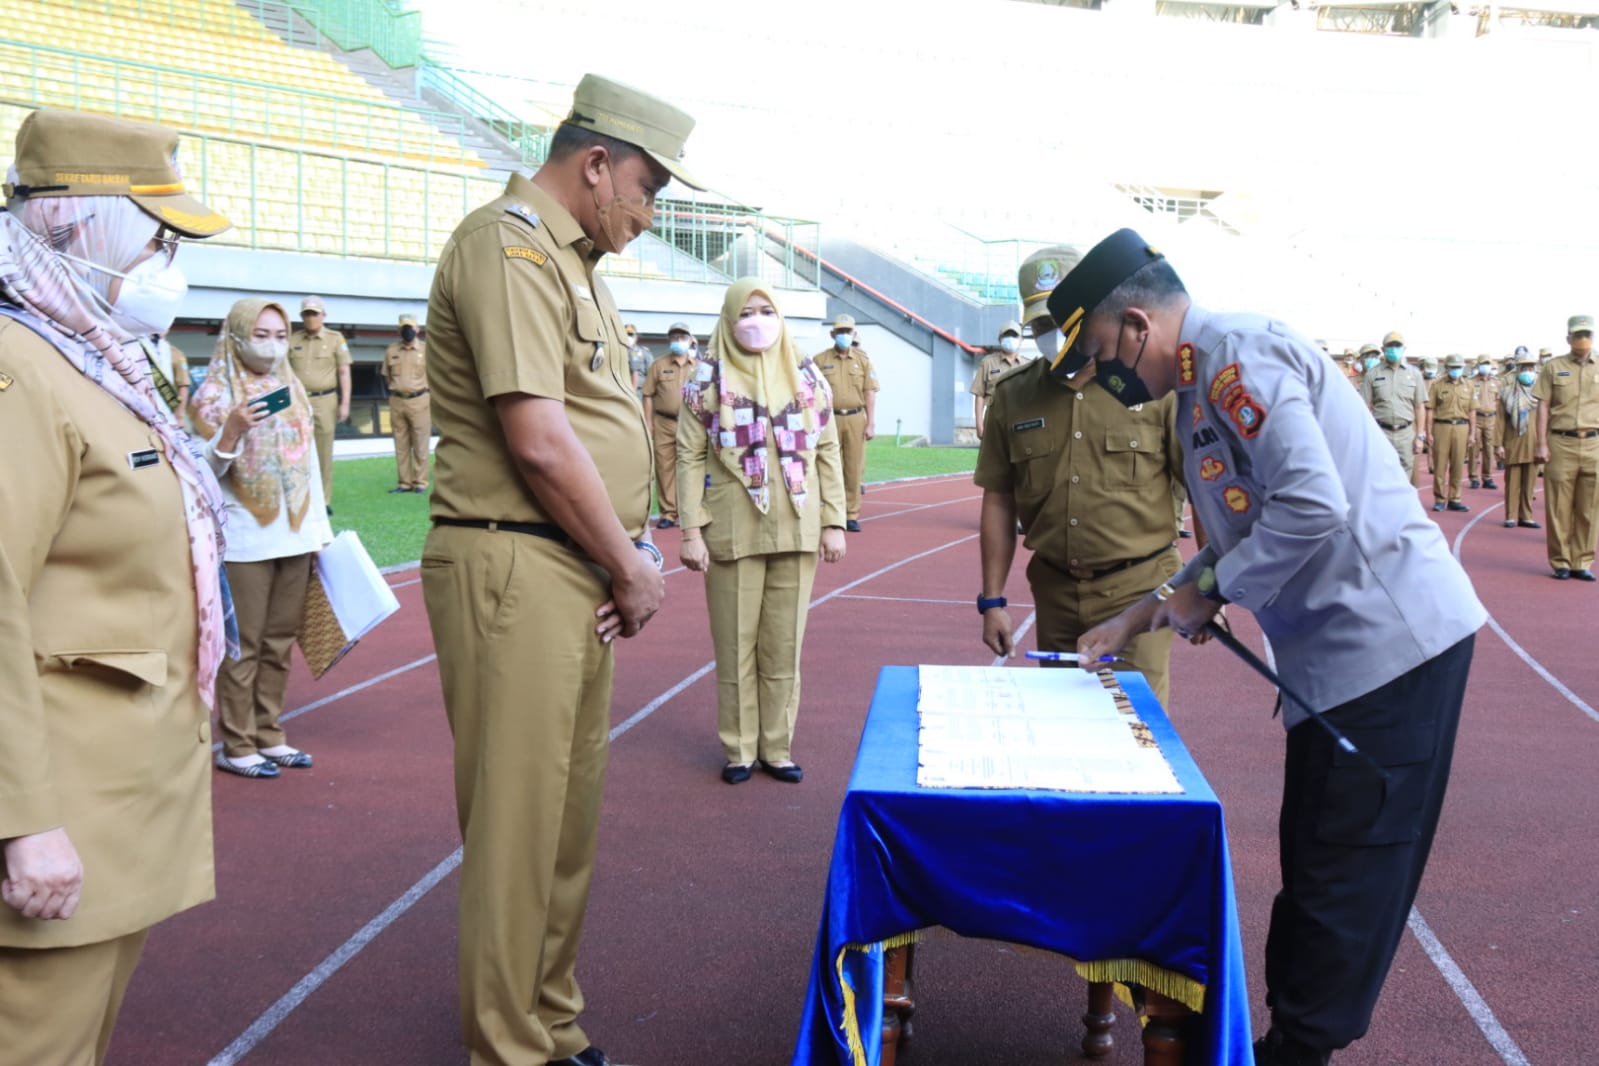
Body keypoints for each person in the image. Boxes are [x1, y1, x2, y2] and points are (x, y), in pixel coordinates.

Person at [1063, 228, 1485, 1066]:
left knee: (1342, 879)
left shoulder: (1236, 359)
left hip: (1389, 650)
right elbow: (1247, 526)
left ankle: (1299, 1049)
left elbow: (1312, 504)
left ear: (1138, 326)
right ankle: (1289, 1041)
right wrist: (1147, 610)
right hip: (1337, 662)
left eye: (1100, 352)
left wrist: (1205, 592)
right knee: (1314, 865)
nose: (1102, 375)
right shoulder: (1197, 386)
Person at [420, 73, 692, 1066]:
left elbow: (594, 432)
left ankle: (550, 1024)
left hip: (571, 569)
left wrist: (627, 552)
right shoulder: (508, 247)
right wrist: (629, 561)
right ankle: (508, 1048)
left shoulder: (577, 266)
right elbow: (536, 441)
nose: (649, 214)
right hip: (514, 563)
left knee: (565, 828)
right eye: (648, 190)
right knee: (517, 833)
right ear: (595, 164)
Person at [0, 108, 232, 1066]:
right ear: (70, 223)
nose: (168, 261)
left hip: (118, 798)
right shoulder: (20, 368)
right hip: (61, 813)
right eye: (157, 234)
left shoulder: (92, 356)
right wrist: (22, 826)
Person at [974, 245, 1193, 710]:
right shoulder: (1013, 397)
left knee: (1139, 739)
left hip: (1141, 594)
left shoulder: (1153, 387)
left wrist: (1207, 590)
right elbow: (999, 499)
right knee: (1062, 730)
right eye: (1039, 326)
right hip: (1054, 595)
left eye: (1059, 321)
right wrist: (992, 600)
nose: (1050, 335)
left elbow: (1202, 489)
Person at [677, 279, 847, 784]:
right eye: (746, 312)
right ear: (728, 321)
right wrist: (690, 529)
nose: (756, 321)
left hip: (797, 525)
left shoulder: (809, 377)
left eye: (765, 310)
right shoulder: (705, 381)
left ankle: (777, 747)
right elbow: (687, 456)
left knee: (783, 644)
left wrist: (834, 520)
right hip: (731, 528)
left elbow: (827, 450)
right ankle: (739, 749)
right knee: (735, 644)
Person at [192, 298, 332, 778]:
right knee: (244, 645)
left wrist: (319, 530)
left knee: (277, 642)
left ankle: (270, 734)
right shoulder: (211, 395)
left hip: (293, 535)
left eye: (279, 336)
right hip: (244, 538)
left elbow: (308, 464)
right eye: (260, 335)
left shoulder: (290, 387)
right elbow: (201, 474)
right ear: (234, 337)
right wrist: (230, 432)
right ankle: (238, 742)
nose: (271, 347)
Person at [1532, 314, 1599, 581]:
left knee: (1589, 508)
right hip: (1561, 442)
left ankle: (1582, 561)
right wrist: (1541, 443)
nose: (1582, 339)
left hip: (1594, 443)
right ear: (1568, 338)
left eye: (1587, 334)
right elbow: (1543, 406)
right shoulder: (1554, 367)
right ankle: (1560, 560)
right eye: (1577, 335)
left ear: (1592, 337)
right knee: (1558, 506)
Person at [813, 313, 878, 532]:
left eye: (847, 332)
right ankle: (832, 512)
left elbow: (869, 392)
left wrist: (870, 422)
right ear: (833, 334)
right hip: (828, 419)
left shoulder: (863, 361)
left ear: (853, 334)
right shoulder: (820, 360)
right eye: (840, 332)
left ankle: (851, 514)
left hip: (855, 418)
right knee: (829, 465)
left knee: (852, 467)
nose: (844, 335)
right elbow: (810, 391)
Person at [288, 295, 350, 514]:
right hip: (297, 401)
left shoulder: (335, 339)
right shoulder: (292, 339)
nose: (310, 318)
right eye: (306, 314)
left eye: (314, 313)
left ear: (323, 315)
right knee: (296, 449)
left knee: (323, 451)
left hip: (325, 400)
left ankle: (323, 500)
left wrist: (345, 403)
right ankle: (299, 497)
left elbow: (344, 371)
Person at [642, 321, 697, 529]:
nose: (677, 341)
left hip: (690, 424)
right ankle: (668, 513)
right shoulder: (659, 365)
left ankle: (689, 512)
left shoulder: (698, 367)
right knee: (665, 468)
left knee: (690, 467)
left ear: (691, 340)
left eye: (682, 337)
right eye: (674, 337)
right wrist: (649, 423)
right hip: (664, 422)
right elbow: (647, 395)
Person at [1358, 332, 1426, 482]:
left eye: (1397, 346)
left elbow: (1420, 407)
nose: (1394, 349)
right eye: (1390, 346)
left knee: (1405, 476)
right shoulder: (1372, 374)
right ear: (1383, 349)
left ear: (1404, 349)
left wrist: (1420, 436)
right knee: (1380, 475)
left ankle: (1402, 505)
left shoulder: (1414, 374)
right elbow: (1363, 408)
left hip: (1406, 433)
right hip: (1381, 432)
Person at [382, 312, 431, 494]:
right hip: (397, 401)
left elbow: (435, 375)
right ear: (398, 330)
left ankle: (420, 482)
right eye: (404, 328)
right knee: (400, 443)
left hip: (420, 400)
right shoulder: (391, 351)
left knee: (420, 442)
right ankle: (404, 483)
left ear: (417, 329)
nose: (407, 331)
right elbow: (386, 376)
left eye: (410, 327)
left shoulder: (426, 350)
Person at [1497, 349, 1542, 529]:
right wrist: (1498, 444)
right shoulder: (1507, 392)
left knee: (1530, 483)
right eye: (1525, 368)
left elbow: (1548, 419)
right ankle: (1510, 516)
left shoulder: (1541, 393)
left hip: (1534, 442)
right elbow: (1500, 420)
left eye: (1531, 368)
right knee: (1512, 482)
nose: (1528, 371)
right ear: (1518, 369)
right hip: (1513, 441)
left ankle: (1526, 516)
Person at [1426, 354, 1473, 512]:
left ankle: (1455, 498)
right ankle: (1439, 499)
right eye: (1453, 367)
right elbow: (1430, 410)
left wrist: (1472, 433)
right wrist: (1429, 433)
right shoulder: (1437, 385)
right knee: (1440, 465)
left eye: (1459, 367)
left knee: (1458, 465)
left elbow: (1472, 411)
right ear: (1446, 368)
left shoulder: (1469, 385)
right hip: (1442, 426)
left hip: (1461, 427)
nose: (1456, 370)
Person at [970, 320, 1025, 437]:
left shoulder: (1028, 365)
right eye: (1007, 335)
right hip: (993, 421)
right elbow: (979, 395)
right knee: (992, 455)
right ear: (1000, 339)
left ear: (1021, 340)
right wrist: (979, 426)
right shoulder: (987, 363)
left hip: (1020, 421)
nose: (1010, 338)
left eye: (1014, 335)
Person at [1467, 356, 1499, 490]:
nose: (1485, 366)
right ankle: (1474, 477)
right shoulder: (1471, 382)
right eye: (1483, 364)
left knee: (1489, 450)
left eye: (1488, 364)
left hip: (1491, 419)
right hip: (1476, 418)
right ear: (1478, 365)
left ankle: (1488, 477)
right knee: (1474, 448)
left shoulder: (1496, 382)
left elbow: (1498, 401)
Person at [625, 322, 652, 396]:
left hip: (639, 393)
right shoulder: (618, 353)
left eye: (631, 335)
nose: (628, 337)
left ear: (636, 337)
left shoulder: (644, 353)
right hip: (622, 391)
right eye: (626, 334)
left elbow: (651, 375)